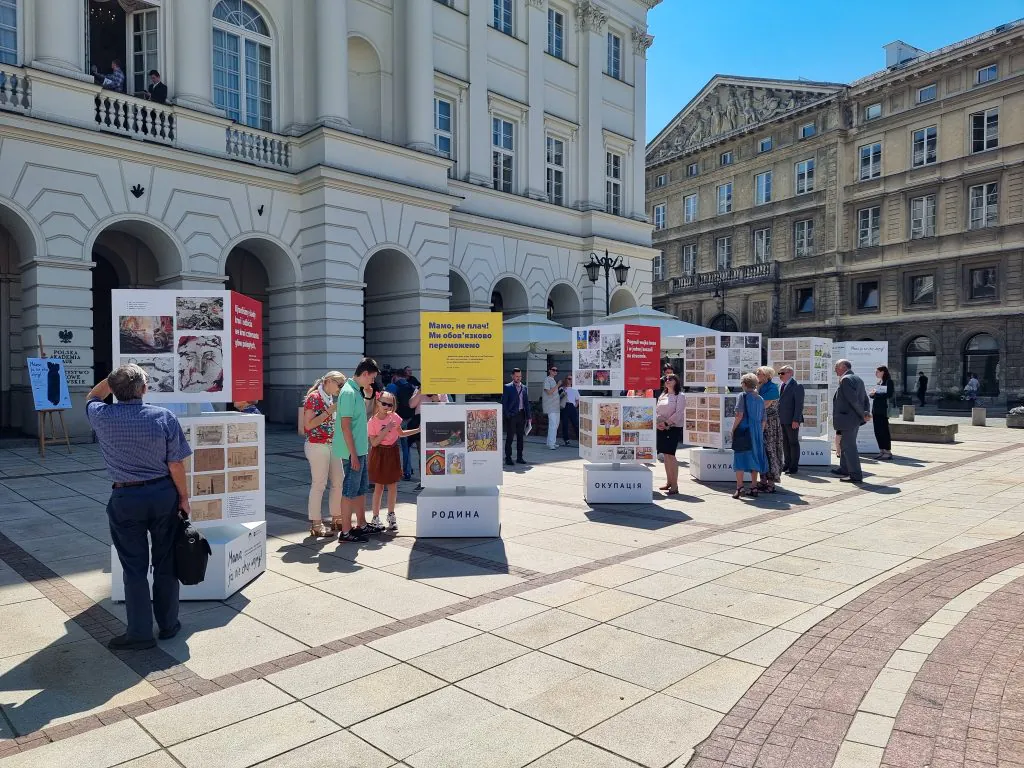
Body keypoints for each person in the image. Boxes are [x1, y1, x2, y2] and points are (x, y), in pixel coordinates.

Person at [86, 364, 191, 650]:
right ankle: (169, 625)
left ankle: (140, 633)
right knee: (165, 561)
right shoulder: (164, 417)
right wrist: (184, 497)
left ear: (114, 390)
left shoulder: (101, 415)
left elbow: (92, 396)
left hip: (126, 498)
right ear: (144, 389)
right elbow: (175, 464)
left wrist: (113, 379)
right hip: (162, 494)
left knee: (134, 568)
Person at [334, 358, 381, 542]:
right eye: (372, 378)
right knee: (349, 491)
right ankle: (345, 532)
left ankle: (361, 524)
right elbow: (345, 426)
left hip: (359, 450)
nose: (372, 382)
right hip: (352, 452)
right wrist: (353, 454)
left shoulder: (355, 390)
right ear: (365, 374)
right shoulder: (348, 392)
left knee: (360, 489)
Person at [368, 391, 420, 533]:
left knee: (392, 486)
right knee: (378, 487)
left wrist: (418, 430)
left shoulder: (394, 417)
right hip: (379, 453)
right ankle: (375, 517)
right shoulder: (372, 422)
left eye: (389, 404)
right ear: (377, 402)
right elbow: (374, 443)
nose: (386, 406)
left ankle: (391, 514)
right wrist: (387, 429)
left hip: (392, 452)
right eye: (383, 403)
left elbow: (401, 433)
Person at [302, 372, 345, 538]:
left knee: (338, 480)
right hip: (316, 444)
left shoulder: (328, 397)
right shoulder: (314, 397)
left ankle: (336, 517)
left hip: (331, 444)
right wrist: (329, 411)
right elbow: (308, 425)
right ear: (328, 381)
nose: (340, 389)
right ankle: (316, 523)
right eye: (339, 385)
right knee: (319, 484)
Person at [832, 359, 871, 483]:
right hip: (852, 419)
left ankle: (855, 475)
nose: (835, 370)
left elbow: (853, 400)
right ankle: (844, 468)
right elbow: (865, 399)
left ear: (843, 367)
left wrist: (863, 414)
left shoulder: (846, 379)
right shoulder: (857, 378)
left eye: (836, 367)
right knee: (845, 444)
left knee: (849, 447)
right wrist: (865, 412)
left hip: (848, 419)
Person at [731, 373, 767, 499]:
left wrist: (733, 429)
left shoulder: (743, 396)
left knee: (739, 458)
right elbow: (764, 420)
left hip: (744, 430)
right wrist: (759, 433)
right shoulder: (760, 398)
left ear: (744, 384)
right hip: (756, 432)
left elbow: (739, 415)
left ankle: (740, 487)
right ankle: (753, 486)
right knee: (755, 458)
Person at [755, 367, 784, 493]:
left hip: (770, 424)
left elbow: (765, 404)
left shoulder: (772, 387)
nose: (757, 375)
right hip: (760, 421)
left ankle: (771, 482)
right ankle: (763, 480)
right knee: (761, 451)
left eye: (759, 374)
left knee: (771, 451)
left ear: (766, 375)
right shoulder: (759, 386)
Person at [411, 393, 448, 491]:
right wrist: (420, 392)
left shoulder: (442, 392)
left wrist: (437, 400)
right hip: (421, 425)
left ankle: (436, 480)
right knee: (422, 454)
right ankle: (423, 481)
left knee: (437, 453)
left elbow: (447, 409)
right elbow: (411, 404)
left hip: (436, 425)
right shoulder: (419, 390)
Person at [656, 373, 686, 494]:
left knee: (671, 455)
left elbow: (678, 413)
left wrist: (667, 423)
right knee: (666, 456)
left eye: (670, 379)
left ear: (676, 381)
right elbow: (657, 410)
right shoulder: (663, 394)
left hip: (672, 428)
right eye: (666, 379)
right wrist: (658, 422)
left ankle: (675, 485)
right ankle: (669, 482)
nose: (667, 381)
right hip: (661, 427)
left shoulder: (680, 396)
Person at [386, 371, 419, 480]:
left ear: (395, 376)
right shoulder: (412, 386)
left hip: (397, 420)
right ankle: (407, 471)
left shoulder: (393, 386)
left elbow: (388, 402)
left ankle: (394, 471)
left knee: (393, 447)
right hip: (409, 419)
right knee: (406, 447)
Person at [777, 365, 804, 475]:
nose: (780, 375)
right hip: (782, 419)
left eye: (782, 373)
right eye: (779, 373)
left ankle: (793, 466)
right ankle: (786, 463)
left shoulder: (797, 386)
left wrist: (796, 420)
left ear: (790, 373)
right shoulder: (781, 385)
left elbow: (799, 405)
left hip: (792, 420)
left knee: (793, 443)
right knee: (785, 443)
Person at [501, 368, 531, 466]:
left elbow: (527, 403)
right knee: (510, 437)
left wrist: (529, 416)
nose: (519, 378)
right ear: (512, 376)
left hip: (522, 415)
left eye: (520, 376)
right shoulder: (507, 387)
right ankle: (508, 458)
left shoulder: (524, 387)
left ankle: (519, 457)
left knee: (520, 438)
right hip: (512, 416)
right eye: (517, 376)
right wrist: (508, 415)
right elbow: (504, 403)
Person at [870, 365, 894, 460]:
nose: (876, 373)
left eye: (877, 371)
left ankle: (887, 452)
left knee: (884, 431)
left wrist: (876, 394)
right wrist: (872, 394)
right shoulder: (879, 382)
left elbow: (889, 394)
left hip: (883, 411)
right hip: (876, 410)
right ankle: (881, 450)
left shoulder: (889, 382)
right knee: (877, 431)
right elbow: (874, 395)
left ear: (883, 372)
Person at [542, 365, 561, 450]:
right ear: (549, 371)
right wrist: (558, 385)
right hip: (550, 406)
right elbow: (549, 392)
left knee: (555, 425)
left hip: (556, 406)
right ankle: (551, 443)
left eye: (556, 370)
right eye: (553, 370)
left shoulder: (553, 380)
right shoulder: (547, 379)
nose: (555, 371)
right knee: (553, 425)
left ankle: (550, 442)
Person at [560, 375, 580, 447]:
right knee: (565, 424)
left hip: (572, 407)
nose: (570, 380)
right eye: (569, 379)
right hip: (564, 406)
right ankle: (566, 440)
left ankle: (579, 439)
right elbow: (559, 398)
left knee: (575, 424)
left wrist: (575, 406)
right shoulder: (562, 388)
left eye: (571, 379)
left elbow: (577, 399)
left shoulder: (575, 389)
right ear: (566, 379)